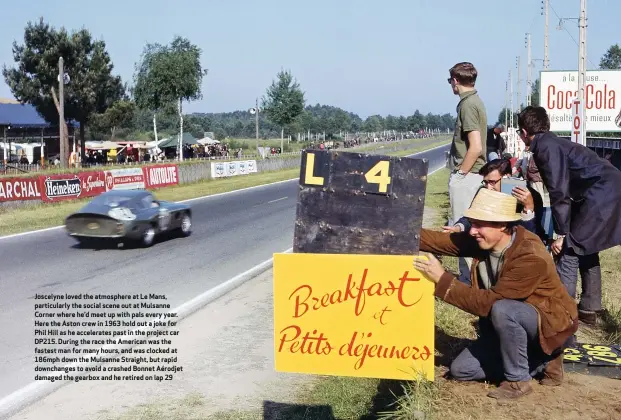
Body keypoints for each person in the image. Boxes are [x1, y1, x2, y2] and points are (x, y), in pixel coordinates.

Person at [414, 188, 578, 400]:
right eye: (472, 223)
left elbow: (488, 304)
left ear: (502, 225)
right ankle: (540, 360)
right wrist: (396, 229)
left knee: (503, 309)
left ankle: (519, 380)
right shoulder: (484, 239)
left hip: (549, 325)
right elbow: (439, 241)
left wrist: (442, 279)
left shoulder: (530, 255)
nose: (472, 231)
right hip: (514, 324)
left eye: (480, 224)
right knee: (461, 370)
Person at [517, 106, 621, 325]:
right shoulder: (552, 142)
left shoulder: (545, 147)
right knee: (585, 246)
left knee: (569, 249)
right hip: (605, 189)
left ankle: (562, 313)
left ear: (525, 132)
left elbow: (558, 191)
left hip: (600, 193)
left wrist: (562, 233)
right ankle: (589, 309)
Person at [446, 62, 488, 284]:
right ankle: (473, 277)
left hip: (468, 174)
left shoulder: (467, 105)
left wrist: (461, 174)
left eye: (449, 81)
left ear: (455, 80)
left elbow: (476, 146)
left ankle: (467, 279)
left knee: (462, 228)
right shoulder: (474, 102)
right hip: (474, 174)